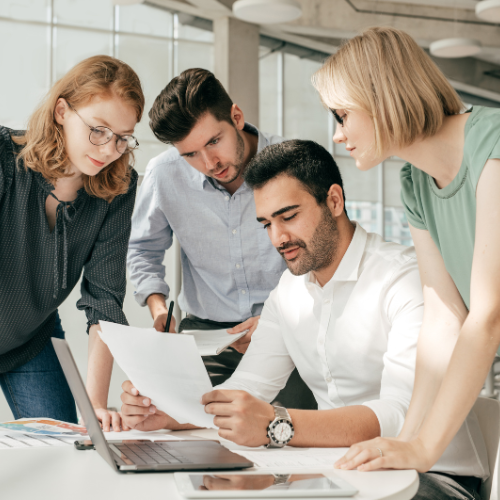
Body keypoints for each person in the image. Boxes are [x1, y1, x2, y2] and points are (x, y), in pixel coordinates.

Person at [121, 140, 487, 500]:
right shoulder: (288, 291)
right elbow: (248, 387)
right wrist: (170, 414)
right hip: (338, 473)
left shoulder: (403, 278)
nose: (278, 238)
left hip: (431, 477)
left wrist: (276, 425)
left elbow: (400, 415)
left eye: (289, 216)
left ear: (334, 201)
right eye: (266, 223)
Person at [311, 26, 500, 477]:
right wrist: (403, 443)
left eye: (342, 115)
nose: (337, 135)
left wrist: (425, 450)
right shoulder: (414, 182)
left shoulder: (491, 144)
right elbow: (443, 319)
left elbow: (488, 314)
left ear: (379, 98)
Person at [127, 68, 315, 409]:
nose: (209, 163)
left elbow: (322, 256)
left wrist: (282, 319)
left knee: (286, 433)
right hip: (204, 335)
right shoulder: (164, 173)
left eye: (214, 141)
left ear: (237, 117)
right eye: (191, 154)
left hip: (285, 330)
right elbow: (143, 249)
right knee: (179, 422)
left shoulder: (292, 166)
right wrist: (158, 309)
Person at [0, 55, 145, 430]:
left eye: (122, 137)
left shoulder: (118, 190)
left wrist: (95, 405)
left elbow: (104, 303)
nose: (108, 148)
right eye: (98, 130)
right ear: (62, 110)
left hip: (30, 340)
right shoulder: (3, 160)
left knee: (59, 446)